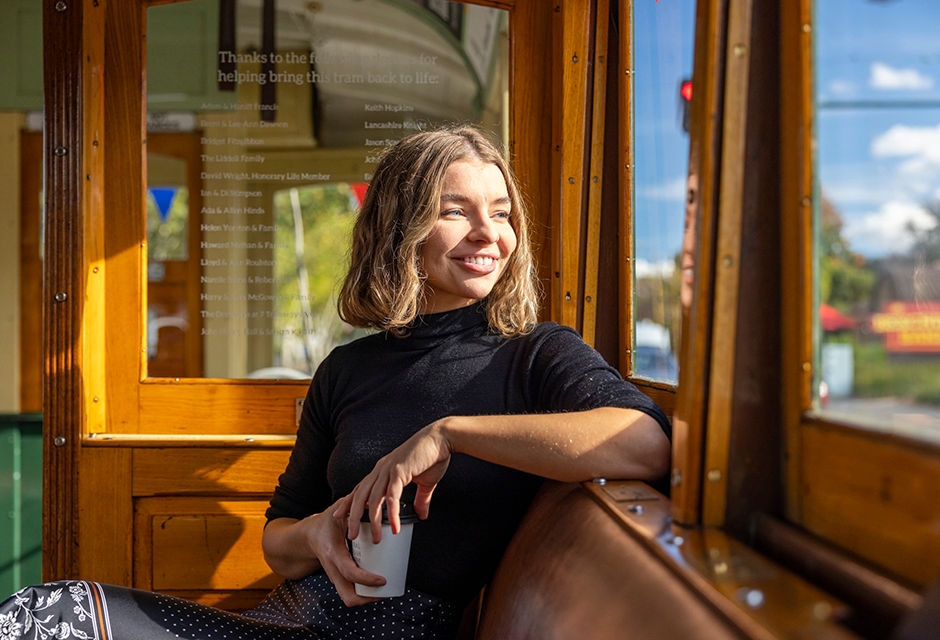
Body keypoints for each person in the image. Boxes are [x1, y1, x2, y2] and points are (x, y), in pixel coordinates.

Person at [0, 124, 671, 640]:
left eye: (500, 213)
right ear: (400, 230)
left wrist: (448, 436)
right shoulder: (348, 369)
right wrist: (318, 532)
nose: (488, 234)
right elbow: (279, 534)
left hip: (386, 631)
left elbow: (644, 442)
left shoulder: (536, 355)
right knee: (41, 612)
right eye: (455, 211)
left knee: (48, 616)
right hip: (288, 616)